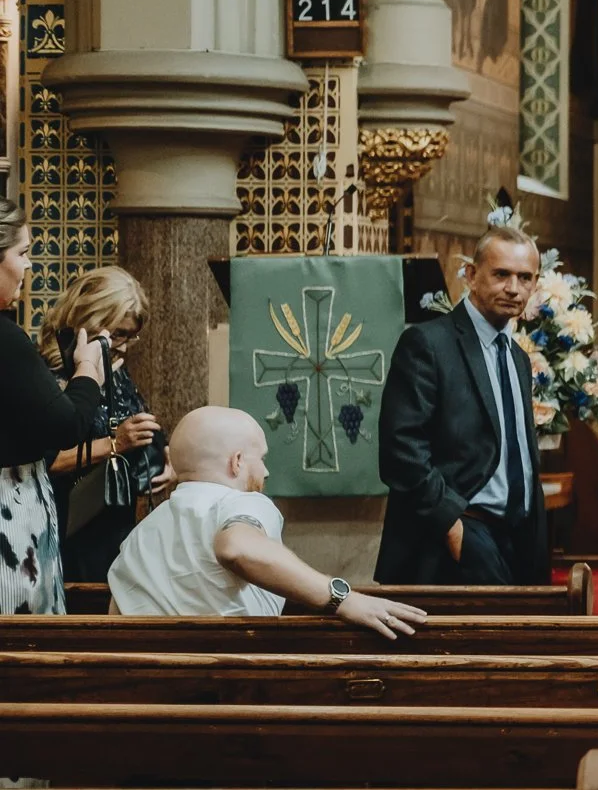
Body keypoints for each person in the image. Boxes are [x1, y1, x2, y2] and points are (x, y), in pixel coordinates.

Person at [109, 408, 425, 638]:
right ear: (236, 462)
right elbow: (237, 548)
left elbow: (116, 617)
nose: (266, 472)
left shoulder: (142, 532)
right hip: (230, 685)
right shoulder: (241, 502)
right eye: (261, 459)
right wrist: (343, 599)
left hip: (150, 691)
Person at [376, 224, 550, 587]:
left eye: (525, 277)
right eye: (501, 274)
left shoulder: (517, 357)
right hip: (457, 533)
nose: (513, 288)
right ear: (471, 275)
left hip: (519, 537)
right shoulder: (428, 343)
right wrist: (452, 526)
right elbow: (401, 450)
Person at [0, 197, 109, 615]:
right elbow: (65, 427)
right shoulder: (5, 342)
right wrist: (87, 373)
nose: (29, 267)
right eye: (23, 253)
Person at [39, 266, 166, 585]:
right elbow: (45, 460)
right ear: (89, 320)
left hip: (115, 525)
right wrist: (115, 445)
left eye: (131, 335)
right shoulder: (47, 376)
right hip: (70, 527)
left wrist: (166, 462)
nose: (123, 345)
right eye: (118, 334)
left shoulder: (116, 371)